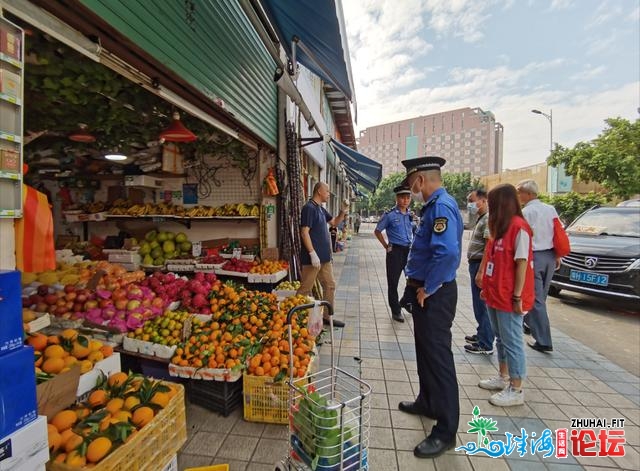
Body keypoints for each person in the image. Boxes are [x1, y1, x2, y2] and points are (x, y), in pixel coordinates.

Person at [396, 156, 463, 459]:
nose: (412, 191)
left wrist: (429, 286)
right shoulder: (435, 206)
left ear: (421, 180)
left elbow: (447, 253)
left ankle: (446, 430)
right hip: (425, 292)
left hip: (434, 295)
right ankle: (427, 401)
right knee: (424, 351)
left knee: (439, 359)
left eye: (412, 184)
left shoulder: (441, 207)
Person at [476, 183, 535, 407]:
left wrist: (518, 296)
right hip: (495, 293)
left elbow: (521, 265)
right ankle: (503, 377)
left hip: (510, 297)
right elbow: (493, 261)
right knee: (500, 338)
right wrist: (487, 287)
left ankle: (517, 388)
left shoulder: (519, 228)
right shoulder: (500, 228)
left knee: (512, 342)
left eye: (492, 203)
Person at [296, 182, 349, 328]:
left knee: (330, 285)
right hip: (313, 259)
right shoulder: (309, 208)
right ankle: (294, 318)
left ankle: (327, 316)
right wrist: (312, 253)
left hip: (324, 258)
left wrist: (343, 212)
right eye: (327, 190)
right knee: (305, 288)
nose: (329, 193)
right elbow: (304, 232)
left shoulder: (320, 209)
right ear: (319, 191)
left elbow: (334, 223)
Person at [516, 179, 559, 353]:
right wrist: (558, 255)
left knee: (536, 299)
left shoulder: (527, 212)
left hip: (534, 256)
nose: (518, 196)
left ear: (528, 193)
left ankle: (543, 340)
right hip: (550, 255)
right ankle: (530, 323)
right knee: (542, 296)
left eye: (520, 192)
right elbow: (558, 232)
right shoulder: (550, 209)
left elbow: (523, 238)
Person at [374, 185, 414, 322]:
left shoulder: (410, 215)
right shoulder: (389, 215)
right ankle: (396, 310)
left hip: (409, 251)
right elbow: (377, 231)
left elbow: (413, 231)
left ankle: (406, 301)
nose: (406, 200)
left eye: (408, 198)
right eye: (403, 197)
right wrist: (386, 246)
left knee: (413, 279)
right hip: (395, 251)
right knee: (393, 282)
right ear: (397, 198)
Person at [464, 189, 495, 354]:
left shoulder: (489, 218)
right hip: (475, 264)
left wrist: (482, 271)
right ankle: (481, 333)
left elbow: (489, 246)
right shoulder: (481, 218)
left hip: (479, 265)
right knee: (478, 304)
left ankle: (486, 343)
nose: (469, 204)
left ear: (483, 201)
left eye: (472, 200)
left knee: (482, 304)